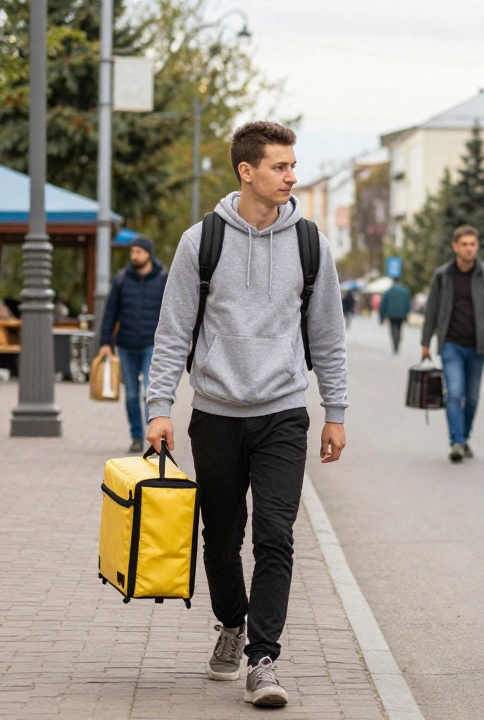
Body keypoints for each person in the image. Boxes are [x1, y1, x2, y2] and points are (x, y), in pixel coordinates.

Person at [145, 121, 349, 708]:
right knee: (221, 537)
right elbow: (172, 332)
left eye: (292, 165)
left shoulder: (310, 244)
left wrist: (334, 410)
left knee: (276, 535)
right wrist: (161, 408)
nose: (292, 176)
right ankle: (231, 625)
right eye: (281, 166)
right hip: (215, 412)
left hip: (283, 412)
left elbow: (328, 338)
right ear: (247, 171)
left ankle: (263, 657)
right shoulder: (200, 242)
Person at [419, 225, 484, 463]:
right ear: (455, 246)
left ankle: (464, 437)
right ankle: (456, 441)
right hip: (451, 344)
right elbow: (432, 309)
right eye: (465, 244)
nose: (469, 248)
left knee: (472, 397)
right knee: (454, 393)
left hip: (478, 346)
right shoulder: (443, 275)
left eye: (473, 244)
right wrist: (425, 341)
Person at [98, 236, 168, 453]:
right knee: (130, 395)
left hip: (151, 344)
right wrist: (105, 342)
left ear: (148, 254)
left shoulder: (163, 279)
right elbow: (110, 312)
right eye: (132, 252)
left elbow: (171, 313)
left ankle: (153, 434)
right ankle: (136, 436)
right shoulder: (121, 279)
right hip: (125, 345)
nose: (134, 256)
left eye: (138, 252)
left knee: (149, 392)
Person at [379, 278, 411, 354]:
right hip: (401, 314)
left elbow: (383, 305)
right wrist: (407, 314)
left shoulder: (388, 291)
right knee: (399, 329)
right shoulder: (405, 291)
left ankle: (395, 344)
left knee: (393, 329)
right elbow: (408, 304)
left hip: (391, 314)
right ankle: (398, 341)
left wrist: (381, 317)